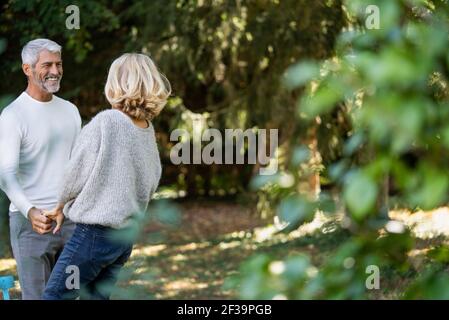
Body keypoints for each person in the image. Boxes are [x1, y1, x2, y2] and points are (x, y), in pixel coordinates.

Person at [42, 53, 170, 300]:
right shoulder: (145, 129)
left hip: (92, 236)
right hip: (122, 241)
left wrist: (59, 205)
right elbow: (152, 180)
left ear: (116, 85)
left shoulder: (107, 121)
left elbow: (76, 170)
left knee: (54, 296)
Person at [0, 39, 81, 299]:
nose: (55, 71)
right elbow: (6, 174)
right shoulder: (13, 116)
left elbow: (78, 167)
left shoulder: (70, 111)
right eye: (47, 65)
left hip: (69, 221)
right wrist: (30, 210)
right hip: (30, 225)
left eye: (58, 64)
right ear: (27, 69)